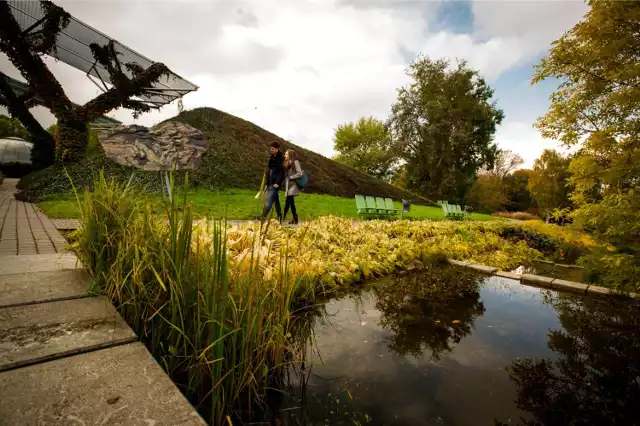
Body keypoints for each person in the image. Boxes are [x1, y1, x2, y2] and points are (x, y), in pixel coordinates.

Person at [260, 141, 284, 221]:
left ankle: (263, 216)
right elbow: (269, 170)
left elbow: (281, 172)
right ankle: (280, 216)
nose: (271, 150)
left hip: (275, 183)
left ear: (277, 149)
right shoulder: (272, 157)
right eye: (270, 149)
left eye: (273, 149)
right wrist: (267, 183)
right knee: (275, 200)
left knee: (269, 200)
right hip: (271, 181)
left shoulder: (281, 158)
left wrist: (277, 183)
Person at [283, 149, 304, 224]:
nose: (284, 155)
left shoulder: (295, 162)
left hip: (294, 185)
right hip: (288, 185)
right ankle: (295, 219)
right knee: (291, 203)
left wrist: (291, 177)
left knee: (288, 201)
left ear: (290, 155)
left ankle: (281, 218)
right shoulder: (287, 163)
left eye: (286, 154)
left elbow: (300, 173)